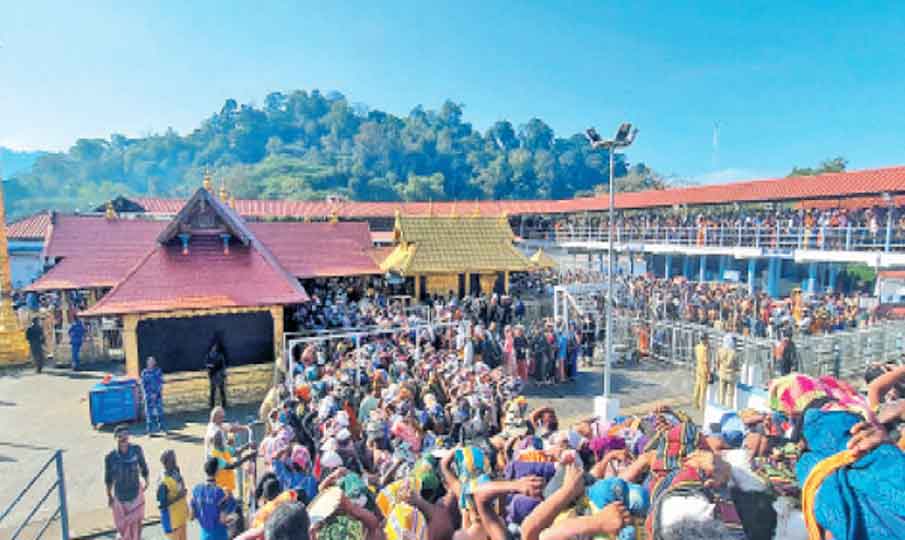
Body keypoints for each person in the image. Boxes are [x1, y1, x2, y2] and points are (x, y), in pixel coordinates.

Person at [104, 426, 149, 540]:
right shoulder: (110, 457)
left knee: (137, 527)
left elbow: (143, 466)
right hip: (120, 498)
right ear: (115, 438)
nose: (123, 438)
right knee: (124, 531)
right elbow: (108, 479)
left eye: (126, 435)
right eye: (120, 436)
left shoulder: (137, 450)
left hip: (136, 495)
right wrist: (109, 496)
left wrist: (146, 480)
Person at [191, 457, 238, 540]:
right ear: (217, 471)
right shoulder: (220, 492)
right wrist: (233, 518)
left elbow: (192, 515)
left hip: (204, 535)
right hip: (219, 535)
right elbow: (223, 519)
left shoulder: (197, 489)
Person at [157, 449, 189, 540]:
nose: (175, 461)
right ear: (166, 462)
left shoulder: (176, 472)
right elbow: (162, 505)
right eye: (173, 459)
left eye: (175, 458)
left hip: (181, 518)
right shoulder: (163, 482)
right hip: (172, 522)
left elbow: (180, 486)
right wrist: (179, 497)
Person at [141, 356, 165, 434]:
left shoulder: (158, 371)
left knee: (160, 412)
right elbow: (143, 385)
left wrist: (156, 393)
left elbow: (160, 383)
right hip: (148, 396)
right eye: (150, 361)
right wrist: (149, 394)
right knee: (149, 414)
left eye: (152, 361)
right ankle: (150, 430)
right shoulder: (144, 372)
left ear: (154, 363)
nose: (151, 363)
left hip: (157, 396)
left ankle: (161, 427)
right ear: (147, 363)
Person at [717, 334, 738, 408]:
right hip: (730, 375)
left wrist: (719, 369)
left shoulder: (720, 350)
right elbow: (736, 364)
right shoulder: (733, 352)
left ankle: (720, 407)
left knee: (721, 392)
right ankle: (729, 408)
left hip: (722, 373)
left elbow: (717, 361)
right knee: (730, 394)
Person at [206, 339, 228, 408]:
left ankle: (223, 404)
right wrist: (210, 370)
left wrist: (223, 374)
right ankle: (212, 404)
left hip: (219, 375)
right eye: (214, 346)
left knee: (221, 390)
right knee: (213, 391)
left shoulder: (220, 356)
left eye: (216, 346)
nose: (215, 347)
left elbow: (223, 366)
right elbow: (207, 364)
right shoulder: (209, 355)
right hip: (213, 375)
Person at [693, 335, 710, 410]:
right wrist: (708, 373)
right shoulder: (705, 349)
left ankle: (695, 403)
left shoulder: (697, 347)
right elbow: (706, 362)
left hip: (698, 367)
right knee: (703, 388)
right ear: (705, 340)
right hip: (704, 369)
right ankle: (701, 405)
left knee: (697, 386)